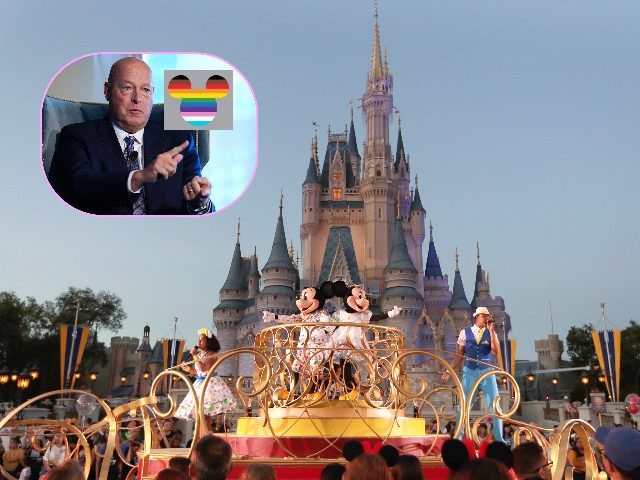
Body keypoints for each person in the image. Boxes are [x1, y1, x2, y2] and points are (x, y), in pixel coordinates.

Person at [48, 57, 214, 215]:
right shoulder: (77, 136)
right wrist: (138, 177)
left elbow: (197, 205)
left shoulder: (179, 141)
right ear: (107, 91)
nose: (137, 98)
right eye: (127, 88)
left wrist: (200, 203)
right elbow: (78, 187)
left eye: (145, 90)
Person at [442, 306, 504, 442]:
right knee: (463, 405)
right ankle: (459, 437)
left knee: (495, 404)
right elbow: (459, 355)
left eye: (487, 316)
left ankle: (500, 440)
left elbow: (495, 351)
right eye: (484, 316)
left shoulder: (491, 333)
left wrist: (492, 332)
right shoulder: (465, 333)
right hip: (469, 371)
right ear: (476, 317)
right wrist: (449, 370)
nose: (486, 318)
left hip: (487, 371)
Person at [175, 328, 236, 428]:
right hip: (200, 383)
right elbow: (198, 373)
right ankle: (200, 434)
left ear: (208, 342)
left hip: (210, 385)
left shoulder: (211, 354)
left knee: (205, 412)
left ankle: (204, 434)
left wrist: (194, 355)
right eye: (198, 339)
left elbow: (204, 369)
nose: (198, 341)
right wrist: (187, 369)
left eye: (202, 339)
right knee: (199, 412)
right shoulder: (199, 355)